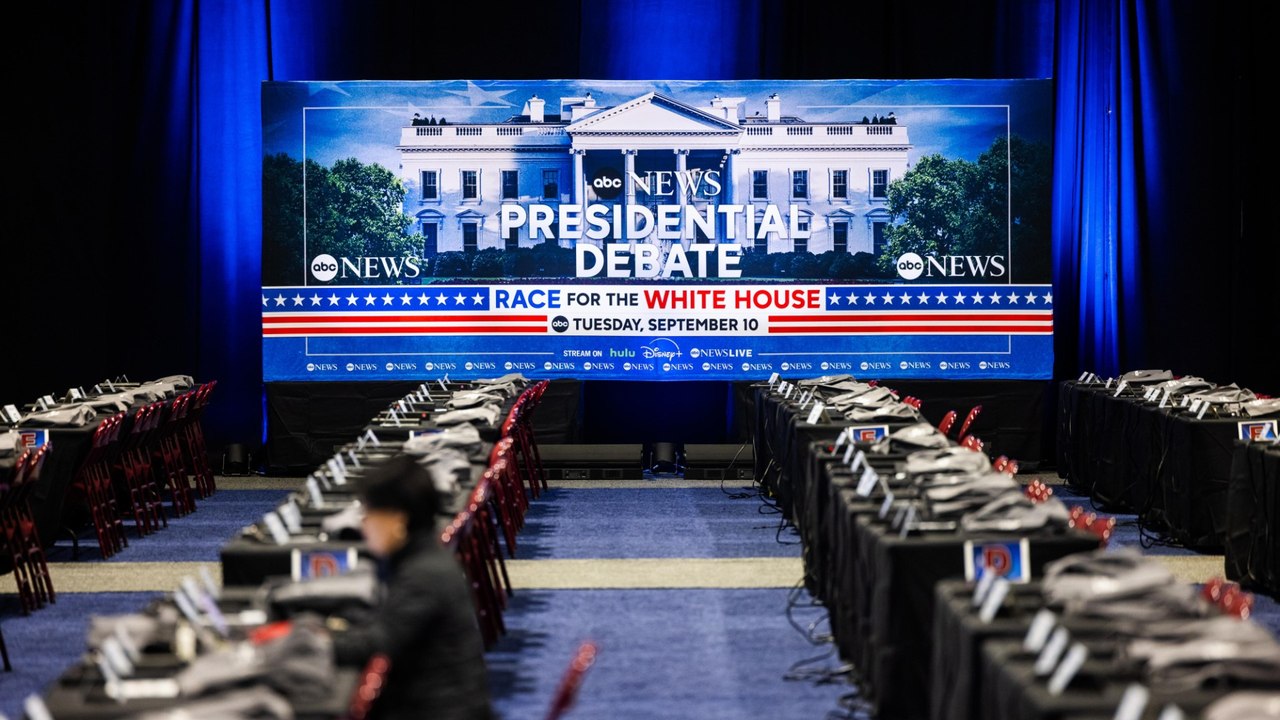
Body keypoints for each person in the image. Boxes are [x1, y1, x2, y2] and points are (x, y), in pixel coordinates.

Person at [330, 452, 494, 720]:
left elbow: (376, 642)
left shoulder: (424, 575)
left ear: (398, 520)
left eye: (369, 513)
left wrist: (316, 643)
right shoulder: (422, 559)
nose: (363, 524)